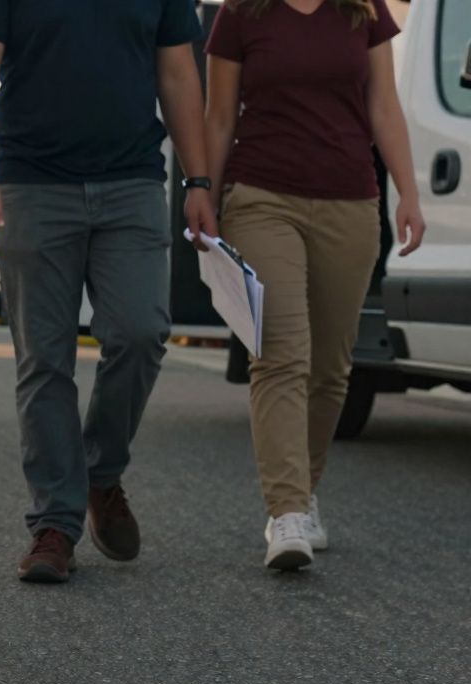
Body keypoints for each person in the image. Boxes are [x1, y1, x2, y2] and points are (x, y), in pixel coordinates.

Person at [0, 0, 218, 583]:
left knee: (141, 332)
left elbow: (178, 73)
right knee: (45, 360)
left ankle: (100, 472)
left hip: (132, 183)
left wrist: (197, 179)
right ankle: (55, 523)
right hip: (32, 184)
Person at [205, 0, 425, 570]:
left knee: (331, 368)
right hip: (261, 197)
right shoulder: (240, 14)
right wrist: (203, 192)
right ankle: (287, 514)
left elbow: (383, 106)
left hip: (350, 201)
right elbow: (220, 117)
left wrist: (408, 191)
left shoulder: (364, 11)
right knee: (281, 355)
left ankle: (303, 492)